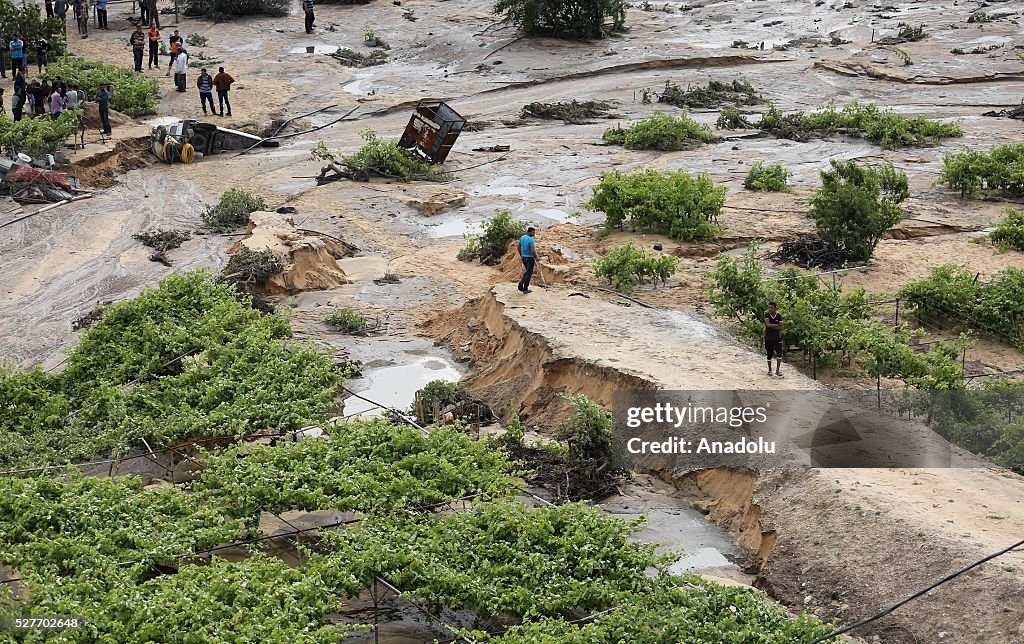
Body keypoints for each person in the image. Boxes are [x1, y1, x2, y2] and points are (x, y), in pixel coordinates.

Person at [764, 301, 785, 377]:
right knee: (769, 354)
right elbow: (767, 325)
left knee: (779, 353)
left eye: (771, 307)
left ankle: (777, 370)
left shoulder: (779, 316)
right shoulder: (767, 315)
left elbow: (782, 327)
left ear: (775, 308)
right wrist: (777, 325)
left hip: (777, 338)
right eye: (769, 307)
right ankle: (770, 370)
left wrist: (771, 325)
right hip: (768, 338)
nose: (770, 309)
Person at [517, 227, 537, 294]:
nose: (534, 234)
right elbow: (533, 251)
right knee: (529, 274)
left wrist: (521, 254)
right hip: (530, 258)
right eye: (532, 232)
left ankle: (521, 284)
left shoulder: (522, 237)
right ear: (529, 232)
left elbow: (518, 246)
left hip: (524, 257)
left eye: (534, 232)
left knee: (527, 272)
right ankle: (525, 289)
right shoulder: (531, 240)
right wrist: (536, 258)